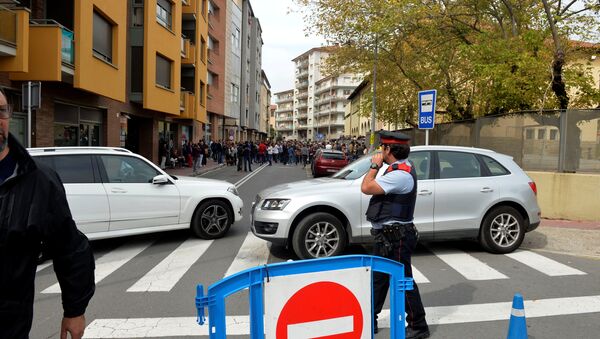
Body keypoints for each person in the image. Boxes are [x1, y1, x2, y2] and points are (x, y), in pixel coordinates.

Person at [0, 89, 95, 338]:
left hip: (9, 325)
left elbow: (70, 248)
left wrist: (75, 310)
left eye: (0, 111)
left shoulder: (39, 181)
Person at [360, 130, 429, 339]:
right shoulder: (397, 168)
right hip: (387, 235)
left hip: (397, 237)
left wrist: (374, 165)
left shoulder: (400, 174)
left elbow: (366, 187)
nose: (380, 151)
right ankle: (370, 320)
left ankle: (418, 325)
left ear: (389, 149)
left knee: (403, 280)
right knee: (379, 278)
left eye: (382, 147)